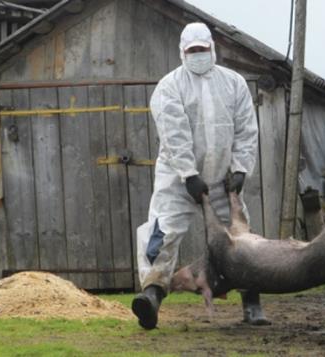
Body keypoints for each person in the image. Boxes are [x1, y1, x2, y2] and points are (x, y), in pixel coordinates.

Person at [132, 22, 267, 330]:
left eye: (202, 50)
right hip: (177, 180)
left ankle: (252, 302)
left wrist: (241, 169)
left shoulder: (233, 83)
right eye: (192, 51)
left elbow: (247, 129)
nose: (198, 55)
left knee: (239, 238)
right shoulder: (170, 86)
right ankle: (151, 294)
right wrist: (189, 174)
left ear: (212, 49)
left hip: (222, 180)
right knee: (160, 232)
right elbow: (173, 133)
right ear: (182, 52)